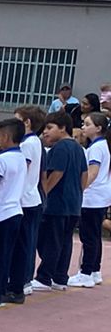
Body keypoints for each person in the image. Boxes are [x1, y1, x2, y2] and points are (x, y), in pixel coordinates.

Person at [36, 111, 86, 289]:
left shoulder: (61, 148)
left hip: (57, 204)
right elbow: (84, 175)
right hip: (73, 204)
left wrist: (44, 194)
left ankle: (44, 277)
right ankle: (60, 277)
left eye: (50, 128)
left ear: (63, 128)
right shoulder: (78, 148)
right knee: (65, 241)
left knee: (51, 240)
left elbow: (57, 173)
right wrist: (78, 193)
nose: (45, 132)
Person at [0, 117, 28, 307]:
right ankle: (1, 290)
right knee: (5, 254)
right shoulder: (21, 157)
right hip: (15, 210)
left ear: (7, 136)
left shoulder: (1, 159)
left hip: (0, 212)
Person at [8, 105, 46, 298]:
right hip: (31, 198)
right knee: (27, 242)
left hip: (25, 199)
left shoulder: (27, 144)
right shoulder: (35, 141)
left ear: (27, 123)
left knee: (22, 244)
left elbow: (22, 169)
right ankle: (24, 279)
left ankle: (20, 281)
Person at [72, 110, 111, 286]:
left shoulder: (96, 148)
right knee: (95, 235)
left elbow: (92, 173)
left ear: (98, 128)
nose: (83, 127)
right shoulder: (104, 145)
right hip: (101, 196)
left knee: (88, 236)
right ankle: (95, 270)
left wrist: (80, 189)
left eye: (87, 124)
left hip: (92, 197)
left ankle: (86, 272)